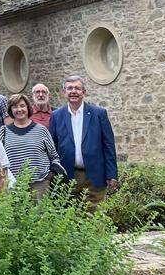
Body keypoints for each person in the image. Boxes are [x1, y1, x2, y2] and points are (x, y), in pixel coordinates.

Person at [49, 76, 118, 209]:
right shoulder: (57, 116)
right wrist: (52, 173)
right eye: (69, 88)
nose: (73, 91)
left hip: (94, 176)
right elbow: (52, 147)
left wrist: (112, 174)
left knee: (94, 218)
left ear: (84, 92)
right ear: (64, 92)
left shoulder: (99, 114)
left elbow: (108, 146)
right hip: (67, 176)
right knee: (68, 218)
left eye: (77, 88)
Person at [0, 93, 60, 200]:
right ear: (11, 110)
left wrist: (48, 177)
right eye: (15, 107)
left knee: (41, 216)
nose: (19, 109)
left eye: (22, 106)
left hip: (40, 185)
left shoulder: (41, 130)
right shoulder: (4, 131)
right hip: (14, 186)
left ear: (28, 107)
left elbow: (54, 157)